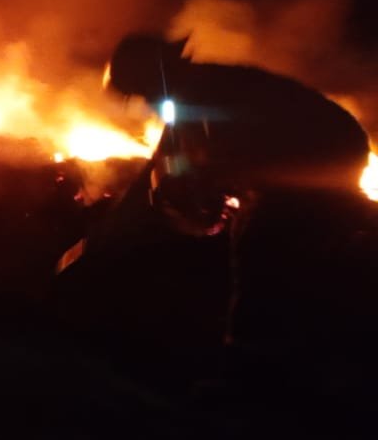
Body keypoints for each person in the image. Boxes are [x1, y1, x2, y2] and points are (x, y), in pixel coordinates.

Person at [102, 32, 371, 379]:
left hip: (323, 159)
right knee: (275, 245)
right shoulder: (191, 91)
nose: (142, 102)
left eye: (139, 91)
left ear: (152, 74)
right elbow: (170, 158)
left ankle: (251, 367)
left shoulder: (204, 92)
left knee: (260, 244)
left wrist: (203, 189)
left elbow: (225, 157)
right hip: (325, 152)